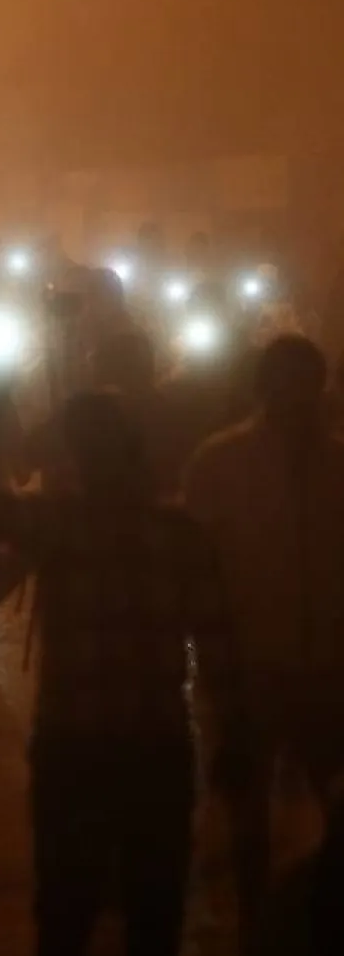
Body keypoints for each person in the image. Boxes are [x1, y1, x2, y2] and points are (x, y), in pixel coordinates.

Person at [0, 389, 244, 956]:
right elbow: (217, 648)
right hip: (151, 742)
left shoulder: (57, 524)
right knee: (153, 908)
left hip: (77, 742)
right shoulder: (178, 534)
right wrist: (234, 734)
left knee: (69, 906)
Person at [183, 334, 344, 954]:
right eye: (283, 382)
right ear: (262, 387)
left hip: (330, 673)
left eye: (306, 383)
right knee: (247, 822)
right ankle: (255, 929)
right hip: (249, 673)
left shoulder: (337, 467)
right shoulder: (220, 464)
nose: (296, 397)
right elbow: (197, 573)